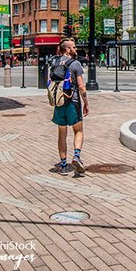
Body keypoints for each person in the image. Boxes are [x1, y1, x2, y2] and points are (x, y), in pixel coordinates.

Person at [51, 38, 89, 175]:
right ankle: (77, 156)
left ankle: (63, 164)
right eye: (73, 47)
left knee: (62, 133)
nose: (75, 49)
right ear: (67, 49)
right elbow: (82, 87)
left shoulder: (54, 62)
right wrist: (86, 103)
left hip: (59, 102)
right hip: (72, 102)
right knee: (78, 130)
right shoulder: (75, 64)